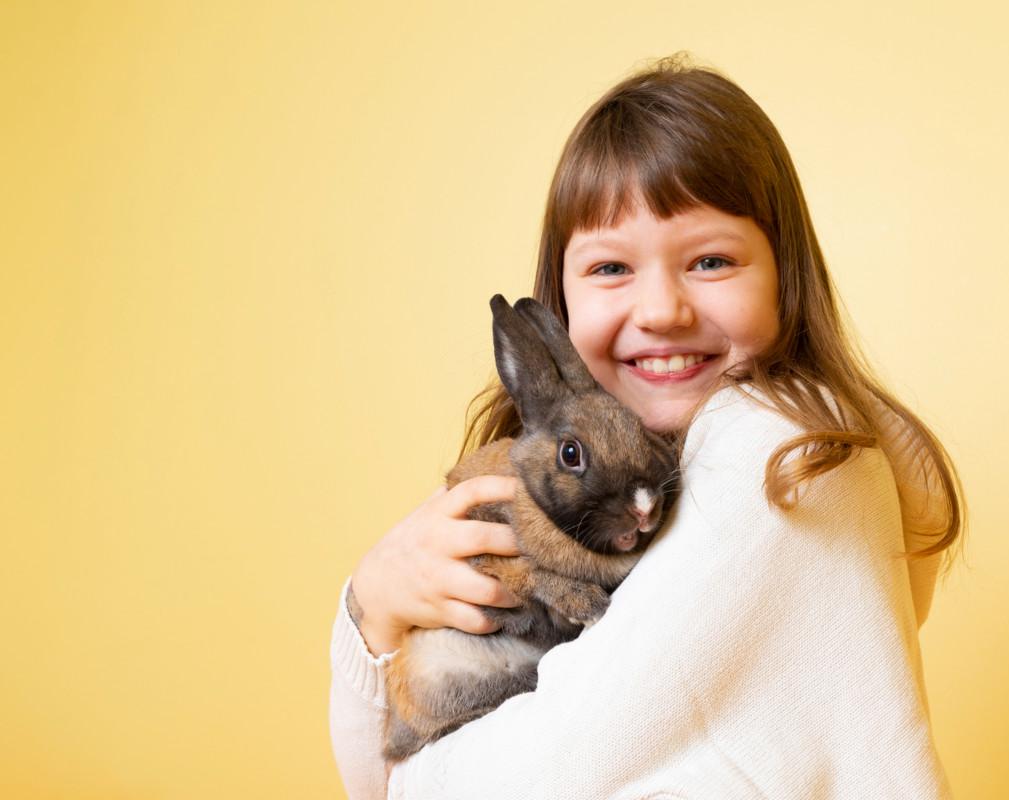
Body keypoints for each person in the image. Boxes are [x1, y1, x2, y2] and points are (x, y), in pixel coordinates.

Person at [329, 53, 965, 799]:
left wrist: (403, 756)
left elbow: (522, 773)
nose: (662, 310)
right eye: (610, 269)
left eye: (711, 260)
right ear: (560, 302)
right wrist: (372, 611)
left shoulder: (786, 460)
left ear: (785, 276)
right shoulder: (577, 485)